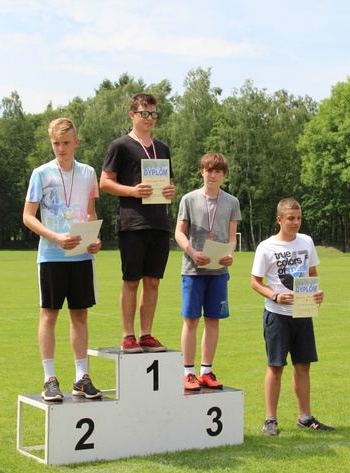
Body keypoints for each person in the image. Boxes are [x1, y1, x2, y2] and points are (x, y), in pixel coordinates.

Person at [23, 117, 103, 402]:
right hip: (51, 256)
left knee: (80, 315)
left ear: (76, 143)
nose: (61, 148)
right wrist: (55, 237)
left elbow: (90, 212)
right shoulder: (41, 174)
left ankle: (82, 377)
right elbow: (28, 216)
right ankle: (49, 379)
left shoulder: (88, 173)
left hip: (81, 256)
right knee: (49, 315)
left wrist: (94, 238)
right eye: (56, 143)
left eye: (66, 143)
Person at [250, 197, 334, 436]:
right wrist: (275, 296)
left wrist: (317, 293)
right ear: (279, 219)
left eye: (298, 218)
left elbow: (312, 273)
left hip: (303, 313)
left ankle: (305, 417)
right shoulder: (266, 247)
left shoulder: (306, 241)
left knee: (303, 365)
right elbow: (255, 283)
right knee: (275, 366)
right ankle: (270, 420)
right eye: (290, 218)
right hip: (277, 315)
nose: (296, 223)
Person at [100, 93, 175, 353]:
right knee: (131, 280)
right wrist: (132, 191)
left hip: (159, 223)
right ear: (132, 115)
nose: (150, 118)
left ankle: (146, 334)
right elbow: (105, 182)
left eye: (154, 114)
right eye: (144, 113)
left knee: (153, 281)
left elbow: (168, 183)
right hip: (132, 223)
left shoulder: (162, 148)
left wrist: (170, 191)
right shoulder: (120, 146)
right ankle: (128, 335)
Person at [174, 153, 241, 391]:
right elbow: (179, 233)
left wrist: (230, 254)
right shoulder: (189, 199)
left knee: (213, 321)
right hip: (193, 270)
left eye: (217, 171)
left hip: (218, 271)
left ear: (224, 175)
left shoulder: (232, 202)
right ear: (201, 171)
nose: (212, 175)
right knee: (191, 320)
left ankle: (206, 371)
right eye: (208, 170)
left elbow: (232, 237)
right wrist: (192, 252)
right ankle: (188, 372)